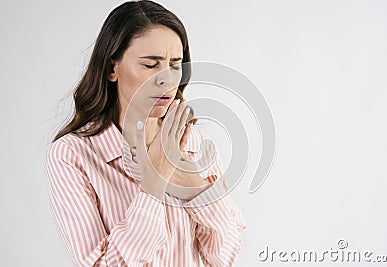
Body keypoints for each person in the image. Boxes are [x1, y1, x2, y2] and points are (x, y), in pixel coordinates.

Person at [45, 1, 247, 266]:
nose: (166, 79)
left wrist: (194, 187)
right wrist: (154, 184)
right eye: (151, 65)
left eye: (175, 64)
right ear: (111, 69)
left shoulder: (194, 141)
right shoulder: (71, 155)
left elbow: (224, 257)